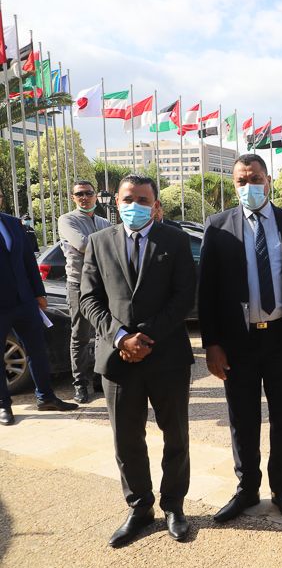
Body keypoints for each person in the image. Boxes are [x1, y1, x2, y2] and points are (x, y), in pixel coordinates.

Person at [199, 154, 282, 524]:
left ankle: (281, 489)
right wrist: (212, 344)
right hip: (238, 342)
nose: (247, 186)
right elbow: (207, 291)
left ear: (268, 181)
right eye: (240, 180)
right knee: (242, 418)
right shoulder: (218, 226)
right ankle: (247, 488)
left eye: (254, 179)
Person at [80, 175, 196, 548]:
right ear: (116, 202)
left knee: (175, 435)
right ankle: (140, 506)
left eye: (144, 200)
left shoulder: (175, 240)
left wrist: (146, 336)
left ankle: (174, 505)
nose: (135, 206)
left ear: (155, 205)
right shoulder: (98, 242)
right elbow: (88, 298)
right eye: (129, 199)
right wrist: (121, 338)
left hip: (167, 357)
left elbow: (184, 296)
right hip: (118, 359)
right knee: (126, 439)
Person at [0, 212, 79, 426]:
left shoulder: (13, 223)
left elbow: (28, 260)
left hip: (25, 301)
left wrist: (39, 293)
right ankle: (3, 404)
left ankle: (46, 397)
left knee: (37, 350)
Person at [58, 179, 111, 403]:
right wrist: (108, 244)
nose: (84, 197)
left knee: (103, 333)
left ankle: (99, 377)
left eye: (88, 193)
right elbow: (82, 245)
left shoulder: (103, 221)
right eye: (79, 194)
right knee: (80, 335)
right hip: (78, 284)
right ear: (73, 197)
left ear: (95, 196)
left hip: (103, 284)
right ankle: (80, 384)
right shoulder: (67, 220)